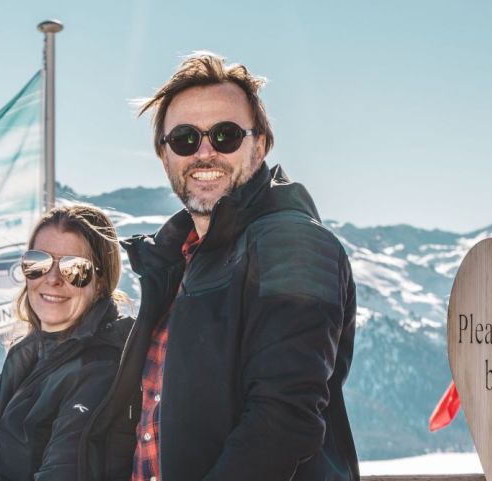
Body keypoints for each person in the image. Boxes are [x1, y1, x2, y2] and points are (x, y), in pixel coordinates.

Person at [86, 52, 359, 481]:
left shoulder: (293, 242)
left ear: (261, 145)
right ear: (165, 156)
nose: (205, 152)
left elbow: (283, 421)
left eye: (227, 135)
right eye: (185, 139)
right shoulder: (179, 259)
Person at [0, 204, 136, 481]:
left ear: (101, 282)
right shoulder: (27, 355)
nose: (52, 279)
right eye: (37, 263)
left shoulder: (100, 368)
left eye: (74, 269)